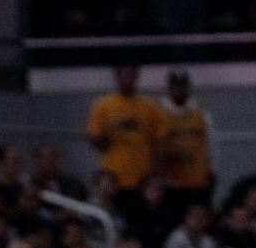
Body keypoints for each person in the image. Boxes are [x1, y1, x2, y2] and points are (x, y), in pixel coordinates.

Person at [85, 66, 165, 213]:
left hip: (141, 182)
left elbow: (158, 146)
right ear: (116, 76)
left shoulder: (150, 107)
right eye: (123, 75)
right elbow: (95, 142)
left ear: (136, 76)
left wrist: (156, 176)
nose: (126, 78)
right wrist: (112, 125)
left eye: (130, 74)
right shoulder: (102, 105)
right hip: (112, 184)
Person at [158, 69, 213, 216]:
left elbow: (212, 148)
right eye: (175, 86)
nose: (179, 90)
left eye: (182, 86)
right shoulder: (158, 115)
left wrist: (210, 176)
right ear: (169, 89)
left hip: (196, 185)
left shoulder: (201, 116)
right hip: (170, 186)